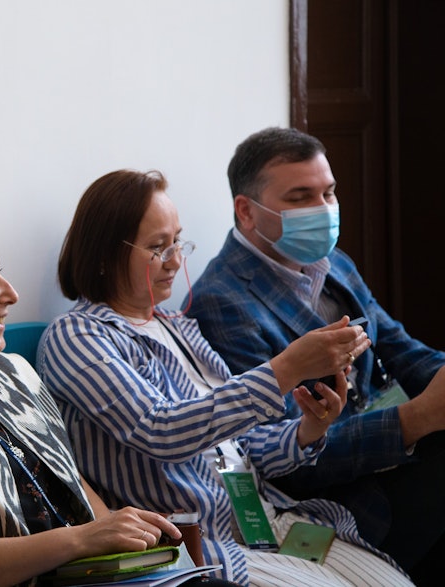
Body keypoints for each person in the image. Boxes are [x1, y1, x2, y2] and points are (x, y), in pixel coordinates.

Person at [37, 168, 413, 586]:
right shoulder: (77, 335)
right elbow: (163, 430)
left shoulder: (178, 326)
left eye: (177, 241)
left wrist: (308, 429)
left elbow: (238, 445)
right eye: (158, 248)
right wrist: (285, 369)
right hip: (200, 544)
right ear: (105, 255)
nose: (177, 260)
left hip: (262, 520)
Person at [0, 201, 237, 587]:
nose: (12, 293)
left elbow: (70, 479)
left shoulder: (15, 371)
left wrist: (125, 542)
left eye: (0, 272)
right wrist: (81, 540)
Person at [186, 126, 445, 584]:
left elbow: (402, 349)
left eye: (329, 192)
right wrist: (415, 419)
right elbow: (278, 456)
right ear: (246, 211)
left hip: (386, 459)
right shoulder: (222, 301)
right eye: (302, 197)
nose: (324, 210)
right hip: (331, 499)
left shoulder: (334, 262)